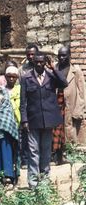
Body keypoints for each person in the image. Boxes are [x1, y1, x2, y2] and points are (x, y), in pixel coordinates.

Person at [20, 52, 68, 189]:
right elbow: (23, 102)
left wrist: (53, 67)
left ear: (45, 62)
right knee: (33, 151)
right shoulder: (26, 77)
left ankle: (45, 181)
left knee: (46, 151)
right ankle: (33, 183)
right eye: (37, 62)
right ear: (33, 62)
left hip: (48, 120)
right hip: (32, 120)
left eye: (42, 62)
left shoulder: (51, 76)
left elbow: (64, 83)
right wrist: (24, 120)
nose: (40, 64)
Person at [54, 46, 85, 158]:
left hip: (70, 105)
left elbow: (82, 92)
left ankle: (70, 154)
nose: (61, 58)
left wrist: (79, 109)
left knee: (69, 129)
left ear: (69, 56)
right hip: (56, 103)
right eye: (59, 55)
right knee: (56, 129)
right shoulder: (54, 69)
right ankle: (57, 155)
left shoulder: (76, 71)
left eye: (64, 55)